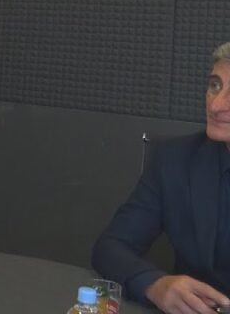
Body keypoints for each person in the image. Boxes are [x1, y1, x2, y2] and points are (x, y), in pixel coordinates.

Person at [92, 42, 230, 314]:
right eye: (215, 86)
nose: (215, 105)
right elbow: (110, 247)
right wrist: (154, 284)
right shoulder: (175, 160)